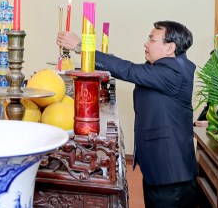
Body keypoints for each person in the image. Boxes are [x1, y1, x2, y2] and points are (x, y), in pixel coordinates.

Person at [57, 21, 198, 208]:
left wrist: (81, 46)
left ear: (169, 48)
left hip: (171, 175)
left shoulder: (174, 71)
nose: (146, 43)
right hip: (162, 170)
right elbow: (128, 68)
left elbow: (129, 70)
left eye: (152, 39)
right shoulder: (170, 67)